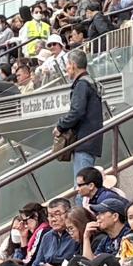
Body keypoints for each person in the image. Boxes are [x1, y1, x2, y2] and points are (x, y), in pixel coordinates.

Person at [55, 49, 104, 181]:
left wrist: (60, 126)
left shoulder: (82, 84)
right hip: (91, 140)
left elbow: (77, 111)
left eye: (67, 65)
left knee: (82, 185)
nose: (66, 69)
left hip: (84, 141)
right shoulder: (89, 82)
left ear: (73, 65)